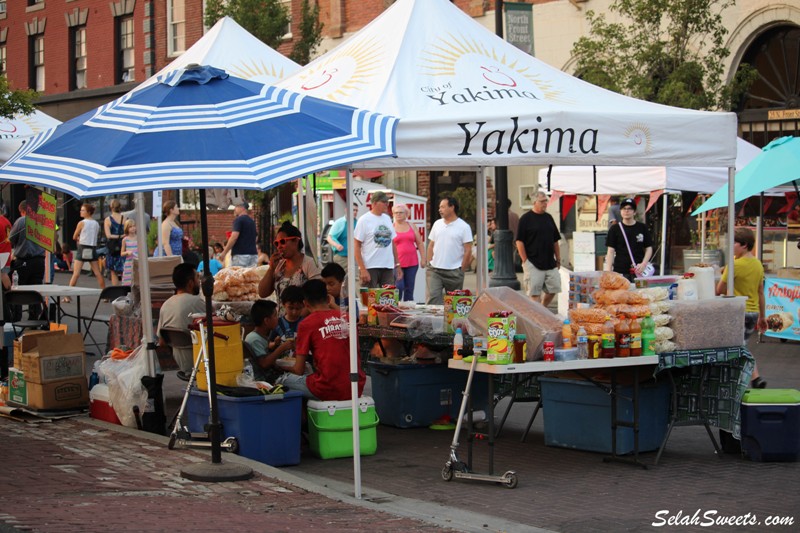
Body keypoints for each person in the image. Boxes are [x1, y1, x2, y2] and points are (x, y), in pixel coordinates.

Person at [277, 279, 366, 401]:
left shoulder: (306, 324)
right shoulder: (348, 318)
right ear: (328, 299)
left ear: (305, 303)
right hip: (356, 387)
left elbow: (298, 370)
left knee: (282, 380)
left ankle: (303, 416)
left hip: (326, 388)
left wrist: (278, 365)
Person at [716, 227, 767, 388]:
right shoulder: (758, 264)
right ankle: (754, 378)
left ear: (744, 245)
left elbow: (719, 290)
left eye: (734, 243)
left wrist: (724, 272)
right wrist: (763, 317)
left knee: (737, 346)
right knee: (740, 344)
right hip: (753, 313)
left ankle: (746, 379)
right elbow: (760, 292)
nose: (731, 247)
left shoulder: (734, 265)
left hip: (738, 311)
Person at [258, 221, 320, 315]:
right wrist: (271, 269)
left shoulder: (309, 264)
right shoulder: (279, 265)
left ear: (296, 240)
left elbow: (317, 298)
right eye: (277, 243)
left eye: (283, 242)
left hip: (302, 322)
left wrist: (295, 319)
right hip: (282, 323)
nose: (279, 247)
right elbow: (262, 293)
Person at [157, 263, 205, 378]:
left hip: (182, 363)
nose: (199, 281)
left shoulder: (165, 305)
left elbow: (162, 342)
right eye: (197, 278)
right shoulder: (197, 302)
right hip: (202, 361)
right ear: (190, 283)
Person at [516, 191, 561, 307]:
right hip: (533, 262)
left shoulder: (549, 217)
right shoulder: (525, 219)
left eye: (546, 200)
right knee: (534, 293)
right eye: (542, 201)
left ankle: (543, 308)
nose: (545, 203)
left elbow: (555, 239)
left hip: (550, 262)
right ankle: (536, 318)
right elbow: (519, 241)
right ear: (534, 202)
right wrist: (525, 260)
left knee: (554, 288)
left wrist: (558, 258)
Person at [426, 196, 473, 305]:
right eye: (439, 207)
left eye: (442, 207)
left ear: (452, 207)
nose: (439, 210)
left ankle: (451, 322)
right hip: (435, 270)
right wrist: (429, 263)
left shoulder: (464, 227)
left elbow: (468, 251)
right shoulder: (437, 224)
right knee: (433, 299)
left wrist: (462, 269)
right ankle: (434, 322)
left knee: (454, 304)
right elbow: (431, 246)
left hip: (454, 271)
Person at [354, 191, 401, 288]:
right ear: (374, 203)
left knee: (388, 298)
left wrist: (397, 264)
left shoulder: (387, 218)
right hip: (370, 266)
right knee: (369, 300)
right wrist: (362, 268)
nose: (386, 204)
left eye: (387, 202)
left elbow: (392, 242)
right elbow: (356, 245)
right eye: (384, 202)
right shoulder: (364, 220)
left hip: (387, 266)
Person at [244, 300, 295, 383]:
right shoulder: (254, 339)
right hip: (263, 380)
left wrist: (275, 345)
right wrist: (282, 348)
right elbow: (264, 363)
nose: (277, 318)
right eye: (275, 315)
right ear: (266, 321)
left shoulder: (261, 336)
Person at [604, 197, 653, 281]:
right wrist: (608, 271)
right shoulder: (614, 229)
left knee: (640, 293)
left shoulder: (642, 227)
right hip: (620, 271)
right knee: (622, 293)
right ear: (620, 211)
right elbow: (610, 251)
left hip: (639, 271)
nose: (626, 211)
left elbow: (649, 248)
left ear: (634, 212)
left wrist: (644, 264)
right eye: (624, 208)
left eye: (630, 209)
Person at [67, 203, 105, 294]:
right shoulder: (96, 223)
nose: (81, 212)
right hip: (92, 248)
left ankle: (67, 295)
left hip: (82, 247)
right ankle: (105, 294)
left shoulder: (81, 223)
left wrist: (79, 238)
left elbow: (74, 236)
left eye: (83, 210)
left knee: (76, 273)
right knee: (97, 273)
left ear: (88, 212)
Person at [392, 203, 425, 302]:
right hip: (397, 263)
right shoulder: (391, 227)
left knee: (409, 289)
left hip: (412, 262)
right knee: (399, 287)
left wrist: (423, 258)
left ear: (406, 214)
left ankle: (409, 311)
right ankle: (396, 308)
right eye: (396, 213)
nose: (398, 214)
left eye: (401, 212)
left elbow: (419, 243)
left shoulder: (412, 226)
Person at [9, 200, 46, 287]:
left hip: (24, 260)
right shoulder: (43, 220)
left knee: (21, 288)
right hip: (39, 261)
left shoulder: (21, 220)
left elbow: (11, 238)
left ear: (23, 211)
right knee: (36, 289)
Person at [219, 200, 258, 267]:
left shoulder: (239, 220)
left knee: (237, 276)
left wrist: (224, 252)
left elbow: (234, 237)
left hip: (240, 255)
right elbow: (256, 237)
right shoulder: (252, 221)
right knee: (250, 277)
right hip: (253, 255)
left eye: (236, 207)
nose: (234, 209)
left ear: (242, 208)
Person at [327, 203, 359, 272]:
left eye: (356, 210)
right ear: (346, 210)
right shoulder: (339, 222)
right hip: (341, 257)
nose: (355, 212)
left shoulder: (357, 223)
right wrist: (336, 245)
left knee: (355, 279)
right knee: (341, 279)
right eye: (353, 210)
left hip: (354, 257)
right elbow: (329, 238)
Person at [104, 199, 125, 286]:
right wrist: (122, 236)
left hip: (113, 247)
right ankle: (126, 291)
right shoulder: (125, 218)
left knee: (113, 271)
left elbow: (108, 235)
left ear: (111, 207)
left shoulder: (108, 220)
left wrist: (117, 236)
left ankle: (116, 293)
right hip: (124, 245)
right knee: (125, 270)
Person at [120, 219, 138, 286]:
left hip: (137, 261)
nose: (133, 228)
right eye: (130, 227)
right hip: (129, 263)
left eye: (134, 226)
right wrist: (127, 252)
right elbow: (121, 253)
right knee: (128, 281)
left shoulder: (139, 238)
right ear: (127, 228)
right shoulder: (125, 240)